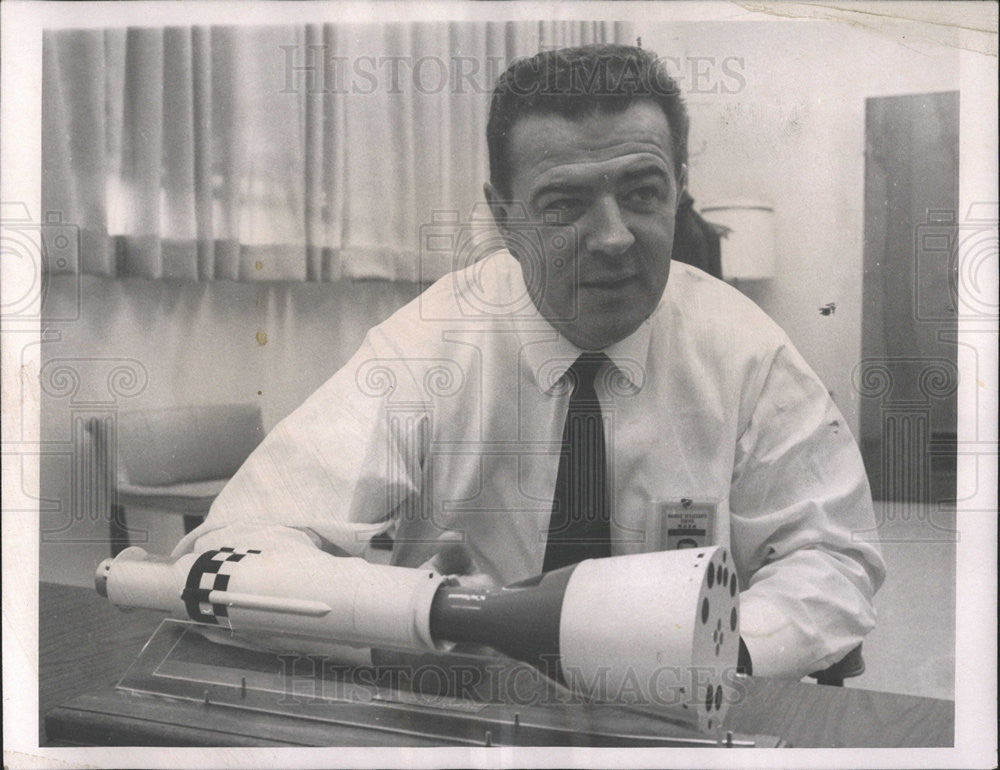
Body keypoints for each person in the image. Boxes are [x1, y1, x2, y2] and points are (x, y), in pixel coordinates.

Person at [172, 44, 884, 681]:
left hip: (682, 715)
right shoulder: (426, 347)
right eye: (565, 204)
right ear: (504, 219)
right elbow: (226, 554)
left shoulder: (748, 350)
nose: (612, 239)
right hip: (465, 704)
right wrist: (419, 613)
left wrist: (728, 647)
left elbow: (832, 555)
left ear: (679, 188)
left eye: (641, 193)